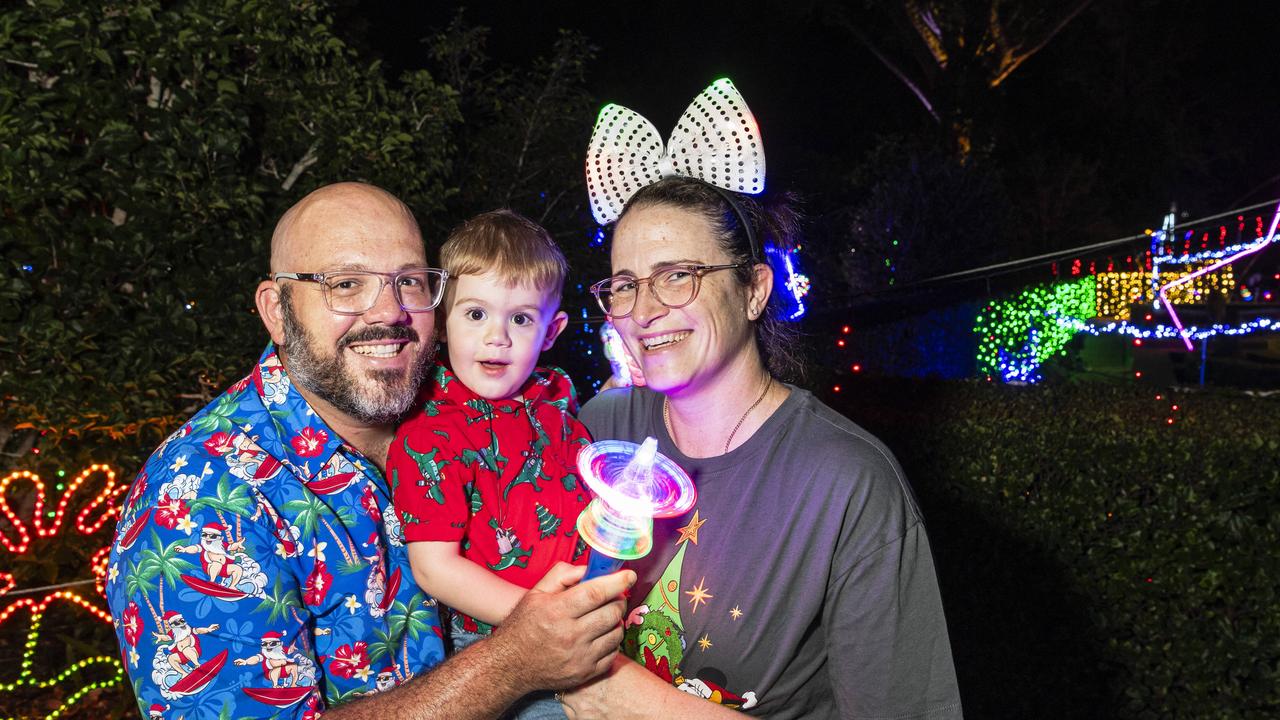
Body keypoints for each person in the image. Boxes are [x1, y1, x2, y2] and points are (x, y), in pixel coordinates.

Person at [105, 182, 632, 720]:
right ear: (277, 311)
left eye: (408, 281)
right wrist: (512, 662)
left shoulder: (463, 407)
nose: (389, 312)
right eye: (346, 284)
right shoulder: (201, 501)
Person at [562, 80, 963, 718]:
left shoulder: (848, 482)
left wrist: (631, 697)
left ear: (753, 290)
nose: (643, 309)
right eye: (625, 284)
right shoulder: (597, 428)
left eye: (678, 276)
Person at [388, 210, 591, 719]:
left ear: (551, 330)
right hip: (501, 643)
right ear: (440, 322)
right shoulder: (431, 434)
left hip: (588, 618)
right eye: (476, 314)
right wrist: (539, 622)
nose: (496, 336)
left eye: (520, 318)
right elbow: (435, 569)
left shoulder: (557, 399)